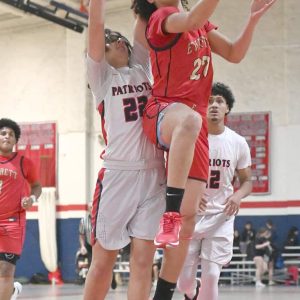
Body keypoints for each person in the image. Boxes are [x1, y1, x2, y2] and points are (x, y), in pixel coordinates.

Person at [131, 1, 276, 298]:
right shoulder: (162, 18)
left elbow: (235, 53)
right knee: (188, 119)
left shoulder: (200, 25)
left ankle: (164, 294)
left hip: (193, 125)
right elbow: (196, 14)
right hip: (164, 110)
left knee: (188, 221)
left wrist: (252, 20)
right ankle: (168, 213)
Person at [83, 0, 166, 299]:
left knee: (143, 262)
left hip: (155, 174)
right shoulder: (102, 79)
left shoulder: (143, 67)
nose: (94, 55)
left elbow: (143, 16)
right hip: (118, 175)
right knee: (103, 261)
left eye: (102, 49)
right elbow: (95, 27)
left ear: (120, 44)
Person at [176, 82, 252, 300]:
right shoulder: (189, 136)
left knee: (211, 274)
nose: (214, 105)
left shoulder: (237, 142)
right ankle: (191, 293)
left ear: (227, 108)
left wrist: (237, 196)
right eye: (209, 101)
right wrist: (190, 193)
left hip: (222, 215)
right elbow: (172, 175)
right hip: (191, 214)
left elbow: (247, 181)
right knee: (184, 283)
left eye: (220, 101)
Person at [0, 118, 42, 300]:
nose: (7, 136)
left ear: (16, 140)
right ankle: (10, 292)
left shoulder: (24, 162)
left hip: (12, 222)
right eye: (3, 133)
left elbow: (37, 186)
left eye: (11, 134)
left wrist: (31, 198)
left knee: (6, 268)